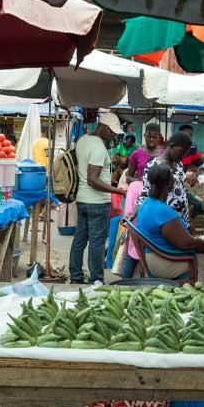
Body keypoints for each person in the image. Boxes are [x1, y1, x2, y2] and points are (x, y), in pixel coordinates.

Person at [135, 164, 204, 286]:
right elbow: (189, 244)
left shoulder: (147, 203)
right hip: (164, 262)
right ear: (170, 184)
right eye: (172, 176)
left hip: (156, 256)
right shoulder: (162, 212)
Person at [69, 112, 127, 284]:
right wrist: (118, 191)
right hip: (97, 203)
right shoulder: (99, 148)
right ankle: (96, 279)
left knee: (80, 238)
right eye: (112, 131)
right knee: (97, 242)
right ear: (103, 127)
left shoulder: (83, 140)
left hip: (82, 199)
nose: (114, 135)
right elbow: (92, 179)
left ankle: (76, 276)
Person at [138, 132, 193, 222]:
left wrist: (187, 216)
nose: (183, 156)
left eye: (186, 153)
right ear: (172, 146)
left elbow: (182, 191)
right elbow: (145, 194)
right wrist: (136, 213)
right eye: (182, 151)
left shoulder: (179, 164)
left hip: (181, 217)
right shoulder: (153, 166)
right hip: (164, 219)